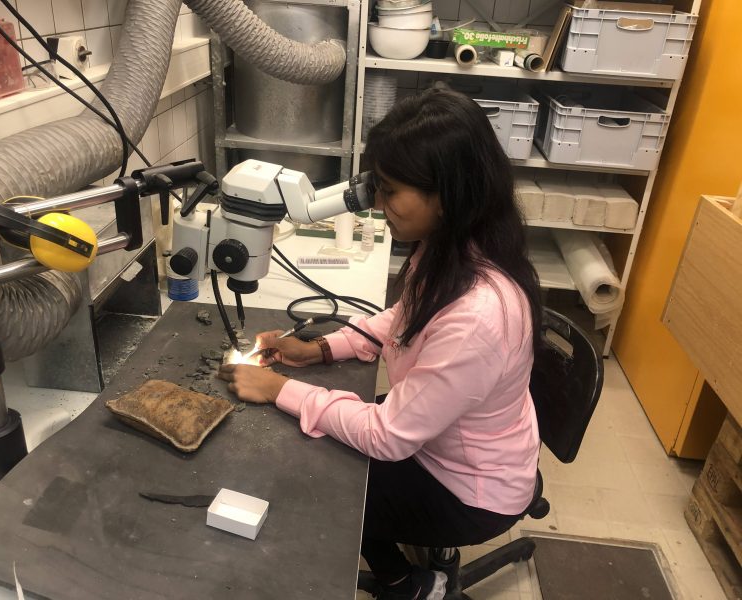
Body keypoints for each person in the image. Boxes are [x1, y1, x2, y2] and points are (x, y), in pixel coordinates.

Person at [218, 87, 542, 600]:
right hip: (442, 437)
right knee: (328, 437)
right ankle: (400, 578)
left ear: (446, 193)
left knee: (318, 483)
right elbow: (404, 317)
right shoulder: (452, 248)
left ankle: (403, 582)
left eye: (390, 191)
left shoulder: (480, 314)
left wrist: (279, 389)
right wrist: (322, 348)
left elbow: (389, 437)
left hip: (470, 490)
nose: (379, 204)